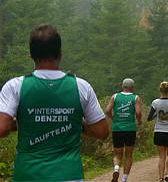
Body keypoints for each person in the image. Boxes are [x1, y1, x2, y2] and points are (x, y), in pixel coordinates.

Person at [0, 24, 109, 182]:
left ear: (31, 54)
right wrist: (74, 123)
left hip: (28, 175)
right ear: (60, 53)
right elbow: (102, 132)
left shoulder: (15, 86)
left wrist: (24, 122)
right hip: (69, 175)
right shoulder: (81, 86)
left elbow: (2, 129)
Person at [105, 78, 142, 182]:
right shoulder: (135, 98)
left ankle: (116, 168)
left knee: (117, 153)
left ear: (123, 86)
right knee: (129, 154)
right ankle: (124, 179)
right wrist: (139, 121)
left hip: (117, 128)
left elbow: (107, 110)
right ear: (132, 87)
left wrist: (114, 118)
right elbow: (138, 113)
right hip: (130, 128)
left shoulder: (115, 96)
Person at [147, 81, 168, 182]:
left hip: (159, 131)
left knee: (161, 156)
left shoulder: (155, 102)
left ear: (160, 90)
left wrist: (157, 115)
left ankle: (160, 178)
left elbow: (149, 118)